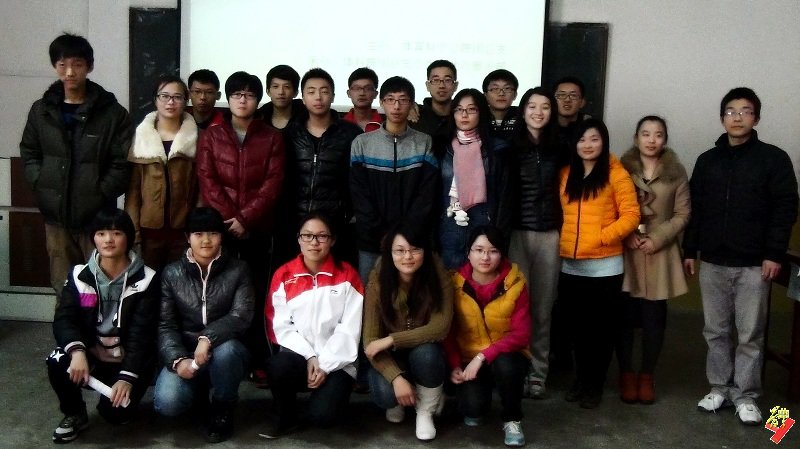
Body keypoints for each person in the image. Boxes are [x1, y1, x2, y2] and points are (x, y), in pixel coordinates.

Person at [683, 88, 798, 425]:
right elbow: (695, 208)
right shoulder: (707, 161)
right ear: (722, 118)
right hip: (713, 261)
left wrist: (774, 253)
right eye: (730, 111)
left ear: (756, 118)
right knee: (715, 330)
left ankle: (746, 395)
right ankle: (719, 387)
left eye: (745, 111)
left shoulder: (773, 159)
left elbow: (785, 209)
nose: (737, 117)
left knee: (750, 334)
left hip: (754, 263)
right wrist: (690, 250)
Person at [20, 33, 132, 297]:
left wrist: (100, 193)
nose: (70, 72)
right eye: (62, 65)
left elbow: (121, 162)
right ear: (55, 66)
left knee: (101, 285)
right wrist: (41, 181)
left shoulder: (112, 113)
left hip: (98, 220)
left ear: (89, 66)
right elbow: (29, 152)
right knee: (65, 287)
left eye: (77, 64)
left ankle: (99, 326)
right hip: (56, 218)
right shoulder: (41, 110)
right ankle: (69, 326)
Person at [196, 71, 285, 377]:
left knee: (258, 294)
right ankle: (222, 357)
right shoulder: (212, 136)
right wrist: (230, 219)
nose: (242, 100)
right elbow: (207, 180)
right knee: (222, 295)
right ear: (228, 98)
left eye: (249, 95)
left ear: (258, 100)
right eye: (236, 95)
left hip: (259, 229)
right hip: (223, 231)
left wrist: (246, 218)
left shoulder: (272, 137)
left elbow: (273, 183)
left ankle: (258, 358)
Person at [46, 208, 157, 443]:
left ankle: (121, 398)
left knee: (115, 415)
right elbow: (64, 318)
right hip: (92, 356)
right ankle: (75, 413)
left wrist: (127, 377)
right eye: (101, 233)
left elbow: (142, 335)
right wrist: (77, 351)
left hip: (127, 362)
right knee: (57, 359)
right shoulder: (80, 275)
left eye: (116, 233)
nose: (108, 240)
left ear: (128, 238)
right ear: (93, 238)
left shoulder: (147, 279)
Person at [154, 207, 254, 443]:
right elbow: (166, 325)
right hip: (187, 352)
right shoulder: (172, 273)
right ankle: (198, 394)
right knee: (167, 402)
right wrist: (178, 360)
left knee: (228, 351)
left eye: (213, 233)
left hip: (224, 349)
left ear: (222, 236)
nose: (206, 240)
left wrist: (207, 338)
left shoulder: (239, 269)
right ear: (188, 237)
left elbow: (241, 316)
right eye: (198, 234)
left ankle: (223, 407)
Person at [558, 118, 639, 409]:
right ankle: (580, 380)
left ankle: (594, 385)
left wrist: (602, 237)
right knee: (577, 329)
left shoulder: (616, 174)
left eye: (594, 139)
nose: (588, 145)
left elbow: (631, 215)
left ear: (603, 142)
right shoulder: (566, 173)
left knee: (601, 331)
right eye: (582, 139)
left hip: (605, 266)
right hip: (571, 265)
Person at [262, 214, 364, 437]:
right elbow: (280, 326)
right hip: (299, 356)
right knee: (278, 366)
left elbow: (349, 330)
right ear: (299, 239)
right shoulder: (284, 274)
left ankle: (324, 402)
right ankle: (285, 416)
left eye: (321, 236)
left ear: (332, 240)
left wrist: (324, 365)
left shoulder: (348, 275)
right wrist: (310, 356)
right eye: (307, 236)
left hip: (338, 362)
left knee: (322, 417)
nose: (314, 242)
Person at [617, 116, 691, 405]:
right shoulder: (621, 169)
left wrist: (658, 238)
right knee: (624, 319)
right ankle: (626, 373)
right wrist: (626, 235)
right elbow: (610, 207)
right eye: (645, 134)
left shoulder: (676, 172)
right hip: (627, 251)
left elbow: (683, 213)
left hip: (661, 253)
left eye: (658, 134)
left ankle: (647, 375)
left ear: (665, 139)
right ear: (636, 138)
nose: (651, 140)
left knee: (654, 319)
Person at [362, 223, 453, 441]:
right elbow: (371, 343)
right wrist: (396, 379)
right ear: (390, 253)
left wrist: (391, 339)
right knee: (385, 396)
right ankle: (403, 396)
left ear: (425, 251)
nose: (408, 257)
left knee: (427, 354)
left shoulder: (438, 276)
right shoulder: (377, 281)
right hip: (392, 358)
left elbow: (440, 327)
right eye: (400, 251)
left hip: (424, 352)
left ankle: (425, 409)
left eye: (415, 249)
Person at [446, 225, 530, 447]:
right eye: (479, 250)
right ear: (468, 252)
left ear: (501, 254)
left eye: (493, 251)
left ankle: (512, 418)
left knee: (507, 366)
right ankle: (480, 395)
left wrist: (482, 356)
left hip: (505, 354)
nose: (485, 257)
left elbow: (521, 335)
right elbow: (449, 331)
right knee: (472, 412)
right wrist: (455, 364)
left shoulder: (515, 282)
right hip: (469, 356)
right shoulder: (454, 283)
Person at [350, 76, 439, 282]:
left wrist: (406, 233)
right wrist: (382, 234)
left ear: (412, 104)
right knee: (371, 292)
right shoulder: (362, 143)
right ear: (381, 102)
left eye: (403, 100)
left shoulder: (424, 142)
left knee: (411, 295)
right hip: (372, 241)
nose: (396, 106)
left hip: (412, 241)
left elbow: (426, 194)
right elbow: (359, 195)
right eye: (390, 99)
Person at [507, 87, 565, 399]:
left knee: (543, 308)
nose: (538, 112)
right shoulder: (509, 147)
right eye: (532, 106)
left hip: (550, 235)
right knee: (517, 308)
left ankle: (538, 373)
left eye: (545, 107)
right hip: (517, 234)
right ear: (523, 110)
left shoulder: (561, 148)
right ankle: (516, 369)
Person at [281, 68, 362, 267]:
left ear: (333, 96)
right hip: (296, 224)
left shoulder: (351, 134)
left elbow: (357, 180)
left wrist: (348, 214)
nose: (318, 97)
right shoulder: (290, 133)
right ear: (302, 98)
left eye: (324, 91)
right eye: (311, 91)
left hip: (337, 225)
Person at [125, 75, 198, 274]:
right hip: (149, 232)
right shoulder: (141, 138)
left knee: (181, 283)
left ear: (185, 100)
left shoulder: (197, 138)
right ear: (155, 100)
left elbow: (201, 189)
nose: (170, 102)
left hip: (183, 230)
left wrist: (196, 228)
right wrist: (133, 232)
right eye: (164, 96)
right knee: (148, 283)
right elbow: (133, 192)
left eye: (177, 97)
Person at [439, 88, 511, 269]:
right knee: (450, 281)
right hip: (450, 227)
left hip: (485, 228)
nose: (464, 115)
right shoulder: (442, 147)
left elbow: (505, 196)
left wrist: (499, 232)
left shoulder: (498, 149)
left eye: (471, 109)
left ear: (482, 112)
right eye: (459, 109)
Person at [410, 60, 458, 157]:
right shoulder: (414, 116)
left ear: (455, 86)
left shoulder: (463, 116)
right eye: (436, 80)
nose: (441, 86)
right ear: (428, 85)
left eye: (447, 80)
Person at [258, 64, 304, 131]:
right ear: (268, 91)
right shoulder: (259, 118)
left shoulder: (306, 116)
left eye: (286, 87)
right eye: (275, 86)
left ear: (295, 93)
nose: (281, 92)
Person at [553, 76, 591, 147]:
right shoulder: (544, 126)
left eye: (573, 95)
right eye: (561, 95)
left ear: (582, 102)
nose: (567, 100)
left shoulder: (590, 126)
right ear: (552, 100)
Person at [482, 69, 519, 142]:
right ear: (485, 95)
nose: (501, 93)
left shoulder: (523, 117)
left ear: (515, 95)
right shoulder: (478, 117)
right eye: (495, 89)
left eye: (507, 88)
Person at [343, 67, 382, 132]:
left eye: (368, 88)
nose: (362, 93)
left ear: (375, 94)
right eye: (357, 88)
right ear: (348, 93)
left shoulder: (385, 126)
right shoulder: (339, 126)